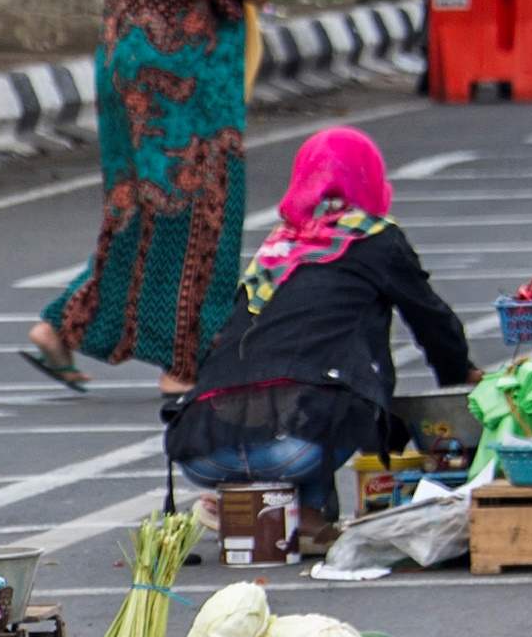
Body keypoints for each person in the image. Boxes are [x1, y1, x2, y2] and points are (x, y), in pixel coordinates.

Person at [28, 0, 274, 394]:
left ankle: (62, 327)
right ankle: (184, 363)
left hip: (123, 73)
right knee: (201, 214)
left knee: (137, 210)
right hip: (187, 91)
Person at [166, 125, 474, 547]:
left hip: (200, 451)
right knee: (330, 381)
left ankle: (244, 498)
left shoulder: (279, 246)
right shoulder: (375, 238)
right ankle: (302, 510)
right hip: (293, 448)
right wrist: (458, 377)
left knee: (302, 372)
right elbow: (431, 320)